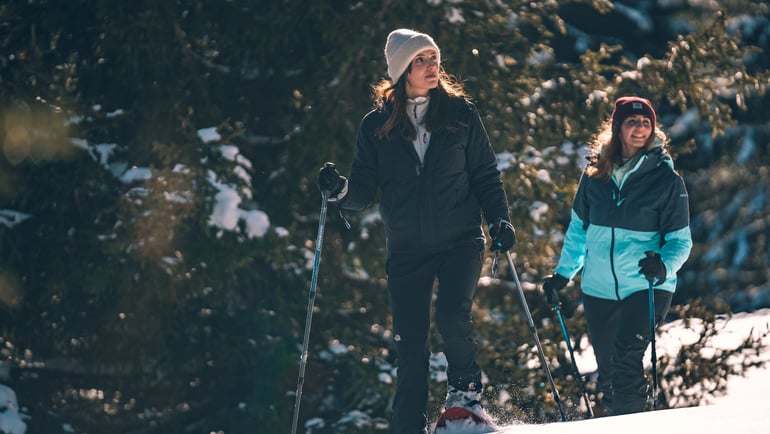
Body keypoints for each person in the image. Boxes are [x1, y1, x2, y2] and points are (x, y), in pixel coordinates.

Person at [317, 28, 514, 434]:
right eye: (421, 59)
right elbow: (363, 190)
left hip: (461, 240)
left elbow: (485, 175)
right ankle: (407, 424)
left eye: (433, 57)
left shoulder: (461, 114)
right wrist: (340, 192)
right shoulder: (376, 126)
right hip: (407, 248)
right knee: (410, 345)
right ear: (402, 69)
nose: (432, 65)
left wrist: (499, 219)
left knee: (451, 316)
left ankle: (465, 395)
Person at [542, 96, 693, 416]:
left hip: (646, 285)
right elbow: (579, 228)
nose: (639, 129)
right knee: (609, 373)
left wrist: (664, 266)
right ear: (617, 128)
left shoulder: (666, 179)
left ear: (653, 130)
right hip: (598, 289)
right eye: (632, 122)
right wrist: (563, 273)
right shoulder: (595, 174)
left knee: (626, 359)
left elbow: (681, 241)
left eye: (646, 123)